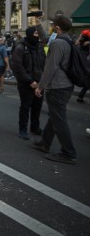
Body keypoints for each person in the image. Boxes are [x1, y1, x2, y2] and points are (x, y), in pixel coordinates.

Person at [34, 15, 77, 164]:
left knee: (59, 120)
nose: (51, 26)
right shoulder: (67, 40)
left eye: (52, 25)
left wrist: (40, 86)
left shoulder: (58, 44)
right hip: (66, 84)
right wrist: (38, 24)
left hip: (58, 86)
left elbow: (50, 67)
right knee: (55, 116)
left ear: (57, 28)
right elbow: (46, 39)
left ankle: (68, 152)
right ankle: (44, 143)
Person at [11, 26, 46, 140]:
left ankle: (35, 127)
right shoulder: (20, 48)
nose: (37, 35)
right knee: (25, 106)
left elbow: (44, 64)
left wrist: (42, 81)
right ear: (30, 34)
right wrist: (29, 81)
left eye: (38, 33)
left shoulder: (40, 47)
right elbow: (17, 67)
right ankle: (23, 129)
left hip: (40, 83)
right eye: (35, 33)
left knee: (37, 106)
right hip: (26, 83)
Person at [75, 29, 90, 103]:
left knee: (88, 81)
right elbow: (76, 44)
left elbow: (76, 44)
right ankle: (80, 96)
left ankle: (80, 96)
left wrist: (80, 37)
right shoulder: (85, 41)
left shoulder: (83, 40)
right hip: (86, 61)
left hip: (84, 60)